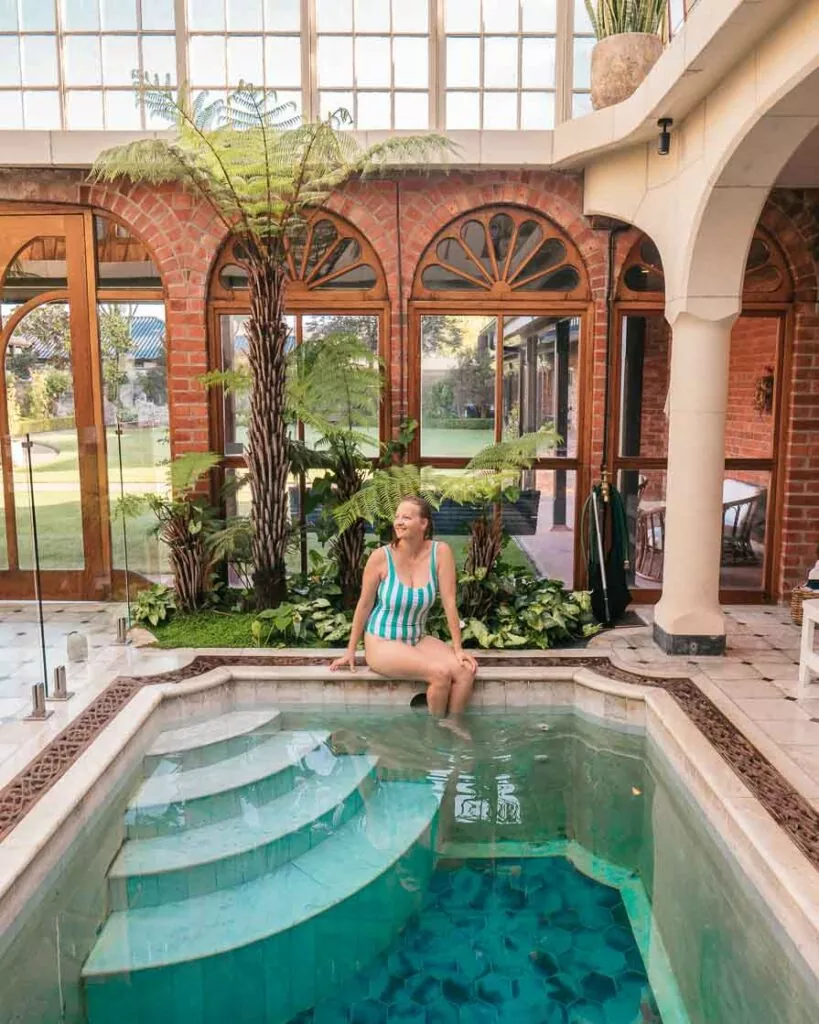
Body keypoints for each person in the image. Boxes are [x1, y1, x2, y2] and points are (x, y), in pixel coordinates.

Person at [330, 496, 478, 719]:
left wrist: (458, 649)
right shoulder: (380, 557)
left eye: (406, 517)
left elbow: (449, 602)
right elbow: (364, 604)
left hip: (416, 638)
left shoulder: (440, 553)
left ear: (424, 523)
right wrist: (350, 650)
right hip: (382, 641)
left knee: (465, 672)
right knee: (439, 674)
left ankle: (453, 727)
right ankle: (435, 735)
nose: (398, 522)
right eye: (397, 517)